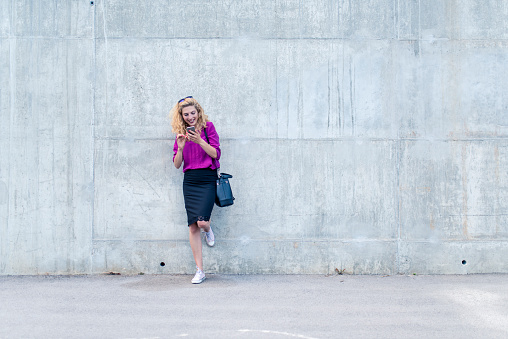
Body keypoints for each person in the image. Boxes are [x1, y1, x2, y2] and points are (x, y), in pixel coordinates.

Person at [171, 96, 221, 284]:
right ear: (182, 116)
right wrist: (181, 148)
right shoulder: (180, 133)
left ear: (198, 112)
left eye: (193, 113)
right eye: (186, 114)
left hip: (207, 178)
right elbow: (177, 164)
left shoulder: (209, 128)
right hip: (190, 180)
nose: (190, 117)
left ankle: (208, 229)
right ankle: (200, 270)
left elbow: (215, 154)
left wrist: (199, 141)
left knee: (202, 223)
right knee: (192, 226)